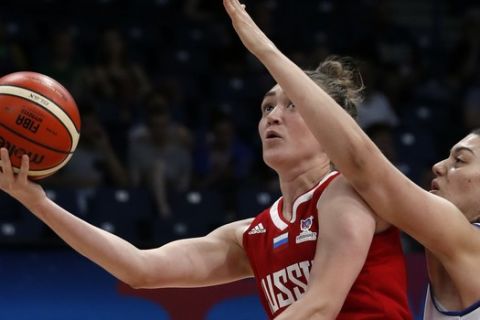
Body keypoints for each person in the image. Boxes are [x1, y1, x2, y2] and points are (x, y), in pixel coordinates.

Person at [0, 16, 411, 320]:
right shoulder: (254, 234)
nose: (273, 116)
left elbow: (321, 307)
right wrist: (34, 199)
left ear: (329, 127)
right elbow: (139, 269)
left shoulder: (346, 194)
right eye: (267, 106)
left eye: (292, 106)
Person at [222, 0, 480, 318]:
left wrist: (264, 49)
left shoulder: (473, 245)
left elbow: (362, 164)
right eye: (267, 108)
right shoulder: (450, 258)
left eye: (461, 160)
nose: (439, 166)